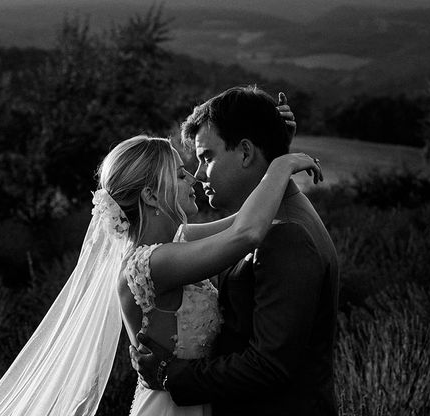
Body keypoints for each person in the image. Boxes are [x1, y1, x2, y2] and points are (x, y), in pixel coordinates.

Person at [0, 96, 319, 416]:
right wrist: (282, 166)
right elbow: (247, 233)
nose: (192, 179)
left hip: (192, 400)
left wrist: (270, 146)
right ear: (152, 196)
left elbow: (242, 221)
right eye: (179, 174)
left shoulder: (174, 243)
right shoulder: (148, 265)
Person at [130, 85, 339, 415]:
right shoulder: (269, 221)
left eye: (206, 158)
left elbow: (268, 366)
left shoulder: (287, 236)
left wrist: (170, 375)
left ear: (245, 152)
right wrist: (276, 151)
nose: (198, 176)